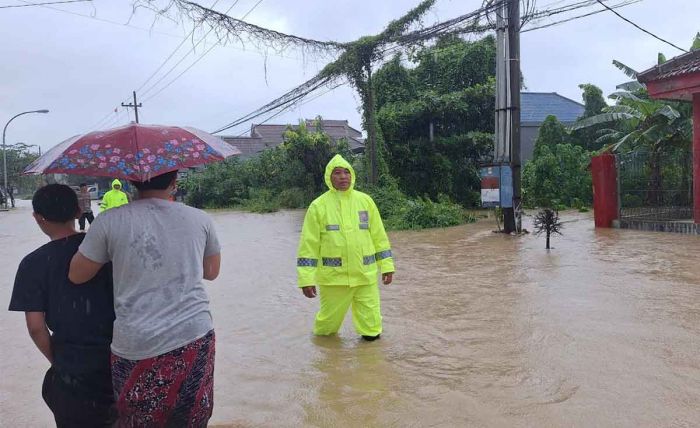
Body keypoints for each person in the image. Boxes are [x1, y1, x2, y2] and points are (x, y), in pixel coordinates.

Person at [68, 170, 221, 427]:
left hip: (136, 341)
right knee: (192, 416)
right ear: (174, 183)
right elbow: (211, 272)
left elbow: (77, 275)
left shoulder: (108, 221)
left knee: (138, 419)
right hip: (194, 333)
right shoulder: (199, 218)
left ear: (131, 182)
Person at [8, 184, 116, 427]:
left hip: (72, 367)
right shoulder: (107, 250)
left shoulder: (32, 264)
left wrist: (59, 362)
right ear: (79, 211)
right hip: (120, 358)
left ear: (38, 217)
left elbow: (36, 328)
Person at [296, 154, 395, 341]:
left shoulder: (365, 201)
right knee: (327, 329)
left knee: (372, 328)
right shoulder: (318, 206)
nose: (343, 177)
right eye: (338, 173)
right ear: (329, 177)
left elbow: (379, 237)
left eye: (347, 172)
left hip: (365, 276)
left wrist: (387, 266)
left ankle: (370, 366)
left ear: (353, 176)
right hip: (334, 279)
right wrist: (306, 279)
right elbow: (308, 246)